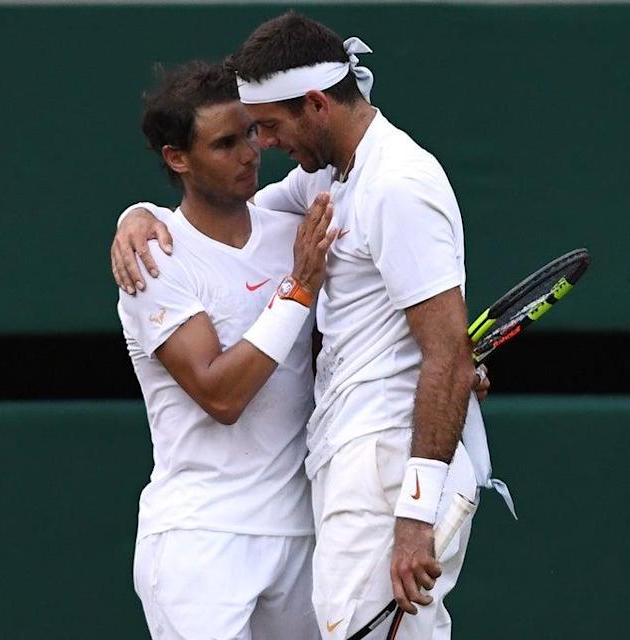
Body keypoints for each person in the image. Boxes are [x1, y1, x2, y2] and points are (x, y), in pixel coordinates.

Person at [114, 14, 507, 638]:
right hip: (277, 502)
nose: (258, 149)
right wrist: (136, 215)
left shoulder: (390, 184)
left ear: (317, 105)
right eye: (236, 137)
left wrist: (414, 511)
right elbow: (222, 242)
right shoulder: (323, 186)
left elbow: (444, 353)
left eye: (264, 127)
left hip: (372, 476)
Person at [119, 59, 338, 640]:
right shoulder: (155, 260)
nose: (249, 153)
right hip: (200, 542)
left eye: (249, 133)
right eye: (224, 143)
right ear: (177, 158)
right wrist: (296, 291)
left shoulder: (287, 222)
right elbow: (221, 394)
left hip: (301, 535)